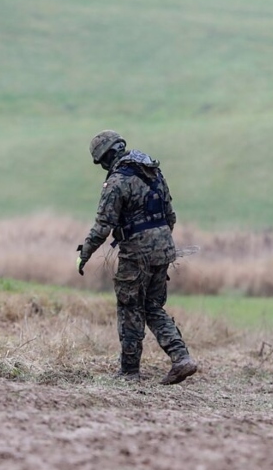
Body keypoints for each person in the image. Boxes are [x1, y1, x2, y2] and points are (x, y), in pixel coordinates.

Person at [76, 130, 198, 385]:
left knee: (130, 307)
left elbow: (102, 227)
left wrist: (84, 254)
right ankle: (181, 358)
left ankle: (129, 372)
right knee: (153, 307)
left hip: (136, 252)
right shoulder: (154, 173)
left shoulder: (117, 182)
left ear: (108, 156)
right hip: (164, 248)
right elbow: (170, 215)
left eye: (102, 162)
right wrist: (159, 244)